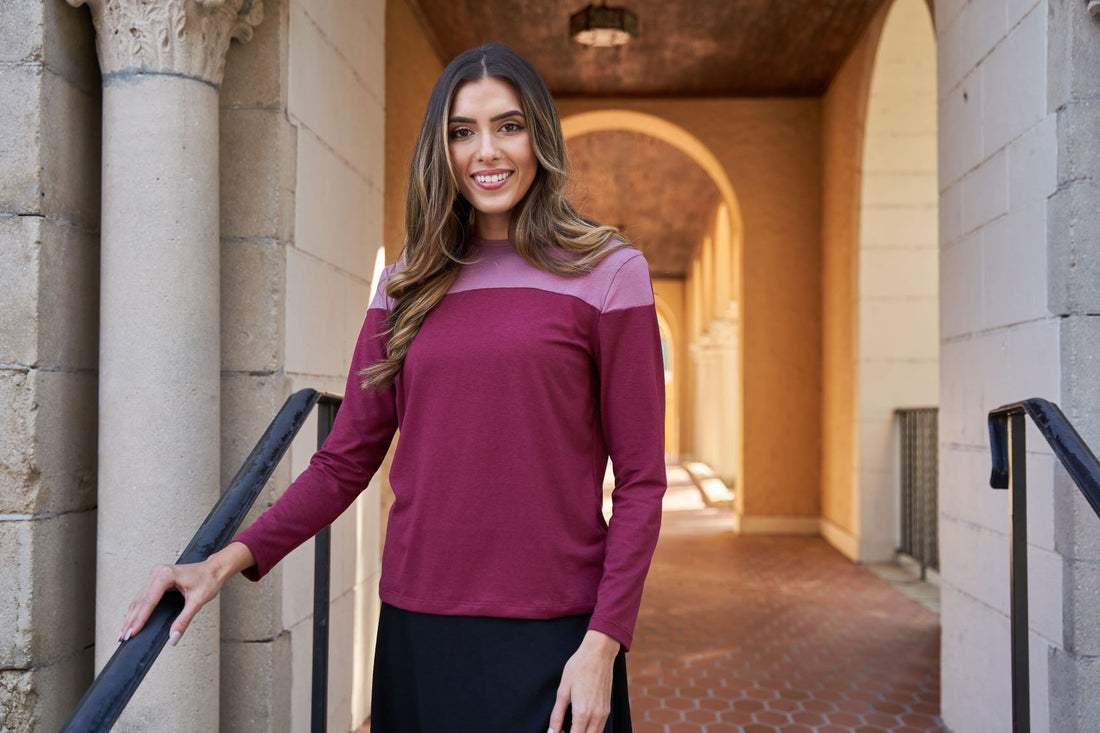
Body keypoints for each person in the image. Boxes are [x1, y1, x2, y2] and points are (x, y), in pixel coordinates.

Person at [120, 43, 666, 733]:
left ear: (540, 137)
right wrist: (222, 561)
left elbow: (643, 480)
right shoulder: (408, 281)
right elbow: (346, 458)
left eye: (508, 125)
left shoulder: (609, 273)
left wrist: (603, 640)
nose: (485, 152)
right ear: (441, 149)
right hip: (419, 626)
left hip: (557, 635)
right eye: (462, 132)